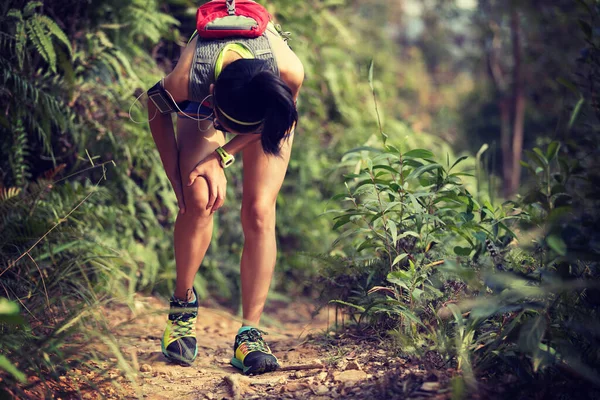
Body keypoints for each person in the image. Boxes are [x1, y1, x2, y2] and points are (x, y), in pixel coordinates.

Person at [146, 1, 304, 375]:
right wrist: (177, 182)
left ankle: (251, 333)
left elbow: (276, 124)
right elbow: (155, 109)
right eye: (223, 121)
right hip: (203, 103)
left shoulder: (288, 73)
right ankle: (182, 307)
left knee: (260, 211)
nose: (223, 128)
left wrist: (222, 156)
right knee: (197, 197)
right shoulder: (189, 80)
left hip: (264, 110)